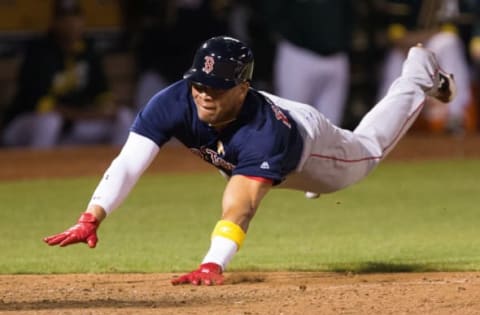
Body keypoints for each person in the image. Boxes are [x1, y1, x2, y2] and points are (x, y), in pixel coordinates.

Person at [43, 36, 456, 285]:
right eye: (200, 84)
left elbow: (240, 205)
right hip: (264, 145)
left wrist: (212, 263)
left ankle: (418, 75)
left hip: (306, 143)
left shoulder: (263, 134)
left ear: (242, 88)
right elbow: (131, 161)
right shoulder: (173, 100)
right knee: (250, 167)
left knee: (366, 153)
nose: (204, 93)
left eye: (217, 87)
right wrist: (91, 215)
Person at [1, 0, 133, 148]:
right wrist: (85, 115)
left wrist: (107, 107)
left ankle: (114, 169)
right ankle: (37, 169)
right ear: (54, 22)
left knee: (123, 116)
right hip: (27, 125)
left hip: (73, 125)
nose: (71, 23)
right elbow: (43, 106)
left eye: (76, 17)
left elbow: (101, 92)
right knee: (50, 121)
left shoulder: (89, 51)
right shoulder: (39, 52)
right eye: (65, 18)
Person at [376, 0, 472, 134]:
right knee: (395, 59)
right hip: (406, 47)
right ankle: (383, 122)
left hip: (433, 44)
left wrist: (419, 40)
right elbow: (395, 34)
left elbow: (451, 29)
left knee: (449, 42)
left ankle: (455, 115)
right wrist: (410, 42)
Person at [260, 0, 355, 127]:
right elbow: (271, 10)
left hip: (336, 55)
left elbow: (351, 11)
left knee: (332, 129)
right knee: (292, 126)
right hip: (298, 54)